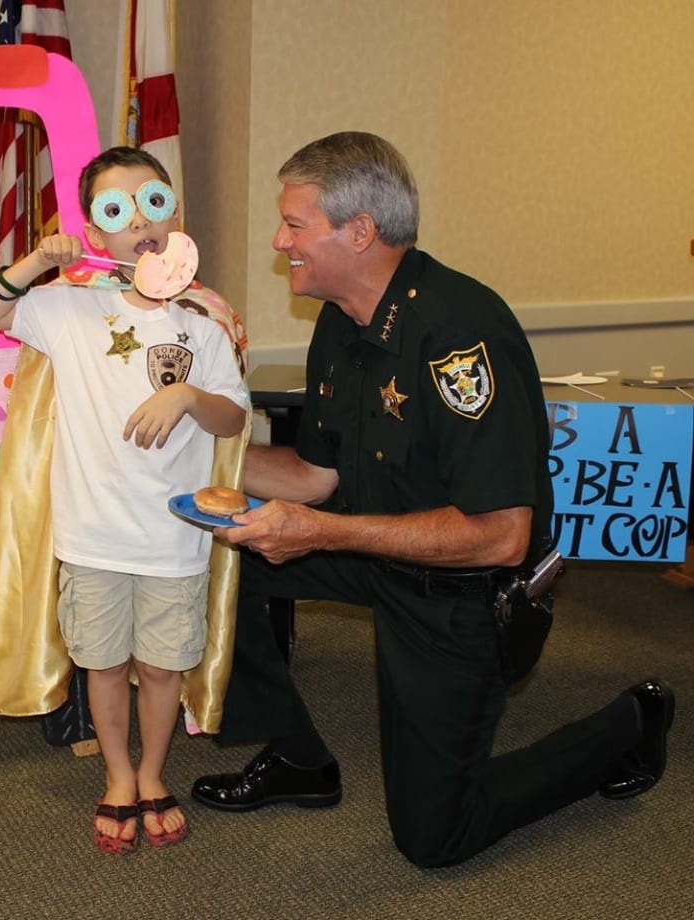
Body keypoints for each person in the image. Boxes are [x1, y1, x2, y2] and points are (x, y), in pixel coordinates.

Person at [190, 131, 675, 868]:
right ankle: (298, 756)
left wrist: (320, 533)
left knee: (435, 837)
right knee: (202, 556)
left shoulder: (459, 333)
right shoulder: (339, 323)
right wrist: (193, 455)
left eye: (295, 224)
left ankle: (629, 725)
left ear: (361, 232)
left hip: (469, 592)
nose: (278, 239)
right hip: (376, 550)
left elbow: (500, 537)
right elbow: (314, 479)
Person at [0, 146, 250, 855]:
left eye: (154, 202)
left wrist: (187, 396)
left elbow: (234, 419)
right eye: (117, 211)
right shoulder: (67, 310)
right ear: (98, 232)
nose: (141, 224)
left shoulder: (204, 322)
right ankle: (118, 776)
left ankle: (153, 772)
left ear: (173, 213)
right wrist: (35, 263)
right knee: (104, 664)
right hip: (94, 536)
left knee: (161, 668)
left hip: (174, 538)